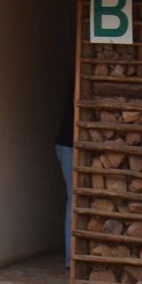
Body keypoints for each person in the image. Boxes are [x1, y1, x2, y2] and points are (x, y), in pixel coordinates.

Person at [54, 101, 75, 268]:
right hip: (68, 145)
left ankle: (71, 257)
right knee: (73, 199)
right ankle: (70, 258)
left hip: (66, 144)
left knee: (73, 199)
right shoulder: (75, 85)